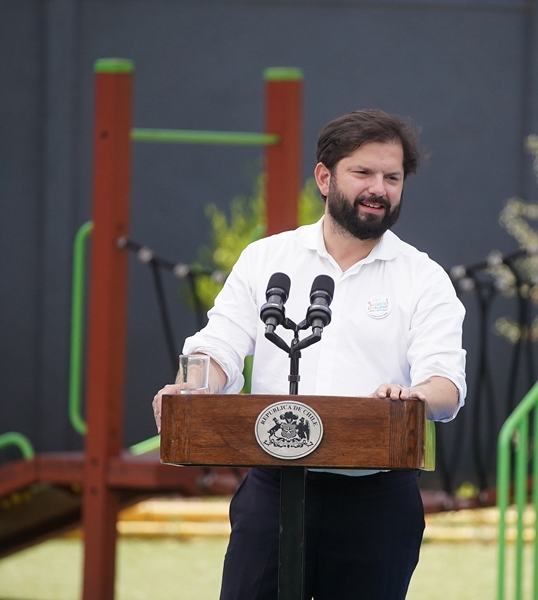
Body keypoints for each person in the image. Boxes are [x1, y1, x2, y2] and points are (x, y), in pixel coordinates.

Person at [152, 109, 466, 600]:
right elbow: (219, 346)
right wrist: (191, 387)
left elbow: (446, 385)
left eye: (392, 177)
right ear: (324, 177)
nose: (379, 189)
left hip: (376, 503)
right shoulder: (267, 259)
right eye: (363, 173)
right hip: (273, 492)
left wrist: (414, 396)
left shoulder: (424, 277)